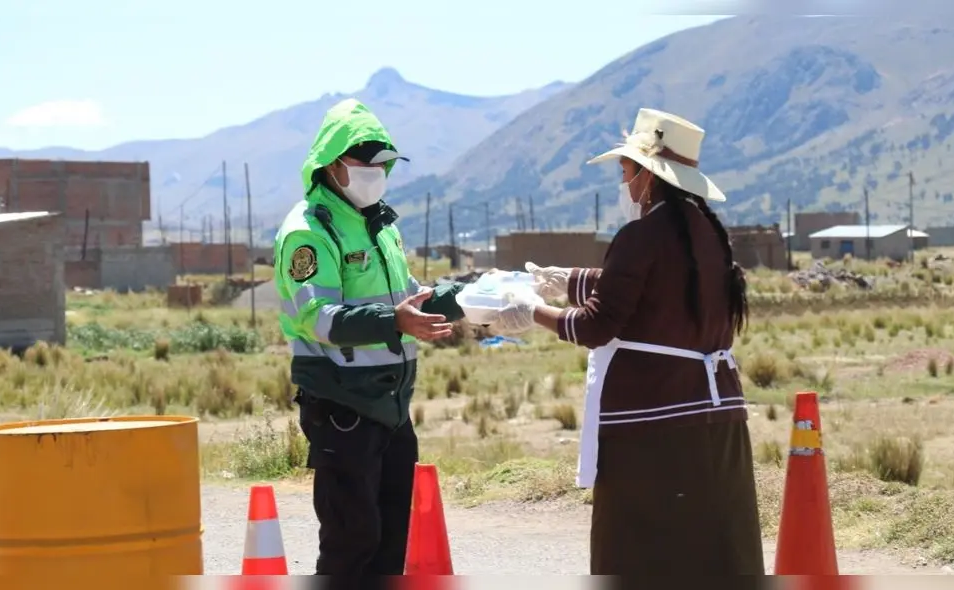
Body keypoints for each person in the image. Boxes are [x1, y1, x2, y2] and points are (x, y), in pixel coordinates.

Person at [490, 108, 765, 577]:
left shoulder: (641, 235)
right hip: (716, 416)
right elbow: (647, 288)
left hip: (655, 425)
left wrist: (531, 312)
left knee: (645, 551)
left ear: (647, 175)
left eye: (624, 171)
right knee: (711, 544)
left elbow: (598, 325)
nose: (622, 183)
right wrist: (567, 279)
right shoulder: (706, 233)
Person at [273, 98, 467, 581]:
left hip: (392, 407)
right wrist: (393, 322)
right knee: (352, 538)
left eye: (383, 165)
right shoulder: (309, 232)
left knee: (394, 535)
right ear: (333, 165)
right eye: (366, 164)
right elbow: (318, 317)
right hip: (343, 406)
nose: (376, 174)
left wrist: (478, 298)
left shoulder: (381, 227)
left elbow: (409, 298)